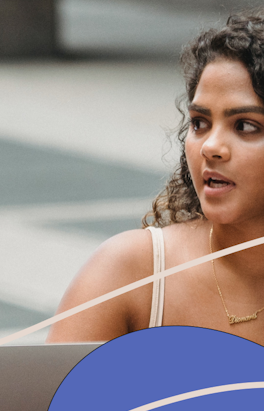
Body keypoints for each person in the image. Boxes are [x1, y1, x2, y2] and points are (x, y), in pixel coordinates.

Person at [47, 9, 264, 347]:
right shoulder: (132, 272)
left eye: (245, 126)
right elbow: (48, 399)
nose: (211, 147)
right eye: (199, 123)